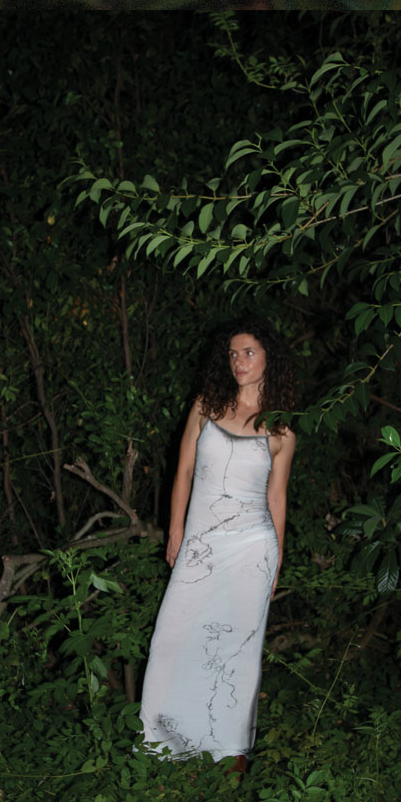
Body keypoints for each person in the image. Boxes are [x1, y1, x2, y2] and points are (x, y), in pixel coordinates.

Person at [136, 318, 299, 773]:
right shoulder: (207, 405)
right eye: (232, 353)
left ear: (269, 356)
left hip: (253, 547)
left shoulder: (281, 430)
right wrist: (175, 530)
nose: (239, 361)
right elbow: (183, 470)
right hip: (201, 542)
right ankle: (162, 742)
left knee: (238, 647)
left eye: (248, 352)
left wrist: (277, 563)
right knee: (172, 636)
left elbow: (277, 499)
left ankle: (230, 753)